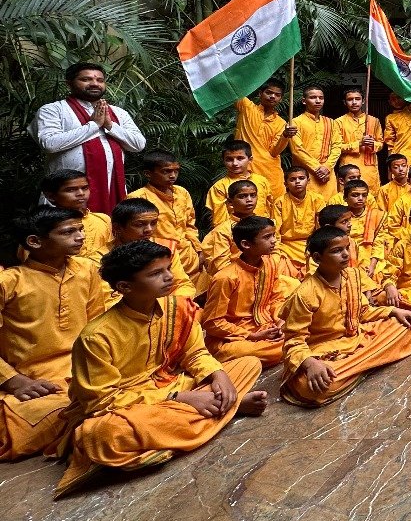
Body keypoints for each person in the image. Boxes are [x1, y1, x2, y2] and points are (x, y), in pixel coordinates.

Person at [55, 240, 266, 497]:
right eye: (156, 273)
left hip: (173, 383)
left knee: (248, 363)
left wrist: (217, 374)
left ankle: (179, 431)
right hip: (130, 403)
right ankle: (228, 408)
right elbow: (101, 402)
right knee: (103, 436)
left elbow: (195, 353)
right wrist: (181, 398)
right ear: (124, 287)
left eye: (168, 268)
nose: (169, 277)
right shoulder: (96, 336)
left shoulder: (176, 308)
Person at [1, 207, 103, 461]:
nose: (80, 236)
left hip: (85, 370)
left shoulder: (87, 269)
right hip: (35, 379)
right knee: (33, 422)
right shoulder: (9, 282)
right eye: (68, 232)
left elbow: (98, 327)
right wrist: (14, 381)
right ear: (34, 241)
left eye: (80, 229)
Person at [279, 228, 411, 407]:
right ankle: (369, 363)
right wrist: (310, 364)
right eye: (337, 251)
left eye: (346, 248)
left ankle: (357, 368)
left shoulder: (352, 276)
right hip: (323, 352)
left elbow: (363, 313)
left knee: (403, 326)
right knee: (308, 386)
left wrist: (392, 311)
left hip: (356, 339)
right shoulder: (306, 294)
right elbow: (293, 341)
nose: (345, 254)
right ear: (317, 258)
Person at [31, 62, 146, 213]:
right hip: (68, 193)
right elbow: (49, 144)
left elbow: (139, 145)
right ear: (69, 83)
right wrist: (93, 125)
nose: (94, 84)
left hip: (111, 188)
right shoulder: (53, 110)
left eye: (100, 80)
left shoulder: (119, 113)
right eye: (86, 79)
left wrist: (110, 126)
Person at [201, 216, 299, 365]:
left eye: (273, 235)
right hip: (233, 338)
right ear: (246, 244)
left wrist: (280, 322)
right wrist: (252, 335)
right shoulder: (225, 278)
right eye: (267, 237)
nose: (274, 241)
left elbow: (276, 299)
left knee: (301, 333)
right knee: (283, 348)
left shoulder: (269, 264)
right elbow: (213, 323)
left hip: (266, 328)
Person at [127, 151, 201, 275]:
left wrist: (199, 250)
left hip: (189, 258)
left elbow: (189, 225)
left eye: (176, 171)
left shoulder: (182, 193)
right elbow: (133, 235)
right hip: (160, 261)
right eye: (166, 171)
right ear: (148, 174)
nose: (173, 175)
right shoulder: (138, 197)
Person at [113, 197, 197, 301]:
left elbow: (183, 285)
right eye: (140, 224)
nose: (149, 229)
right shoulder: (102, 256)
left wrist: (166, 306)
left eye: (153, 223)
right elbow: (109, 299)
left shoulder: (165, 247)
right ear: (117, 227)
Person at [234, 79, 294, 199]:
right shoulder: (247, 108)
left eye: (277, 95)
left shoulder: (281, 123)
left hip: (270, 171)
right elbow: (233, 89)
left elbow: (274, 151)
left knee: (274, 205)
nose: (273, 96)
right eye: (269, 92)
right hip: (245, 168)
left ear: (280, 99)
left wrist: (285, 136)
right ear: (260, 93)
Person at [39, 170, 113, 264]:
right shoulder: (44, 225)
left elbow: (112, 249)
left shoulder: (102, 219)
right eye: (71, 190)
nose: (81, 193)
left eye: (85, 188)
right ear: (51, 196)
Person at [270, 164, 325, 274]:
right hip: (286, 246)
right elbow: (275, 230)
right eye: (292, 179)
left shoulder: (317, 199)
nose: (297, 182)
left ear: (308, 181)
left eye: (301, 178)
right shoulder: (280, 202)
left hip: (310, 243)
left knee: (315, 269)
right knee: (280, 268)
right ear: (286, 184)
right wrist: (276, 249)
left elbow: (321, 227)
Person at [199, 182, 259, 280]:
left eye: (253, 195)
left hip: (263, 273)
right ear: (230, 202)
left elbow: (273, 251)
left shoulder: (265, 225)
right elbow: (221, 265)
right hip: (235, 278)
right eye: (242, 196)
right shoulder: (223, 230)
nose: (249, 200)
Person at [206, 139, 272, 225]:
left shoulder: (261, 181)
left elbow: (269, 209)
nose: (235, 163)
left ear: (250, 159)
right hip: (235, 230)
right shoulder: (219, 187)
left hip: (262, 228)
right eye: (229, 159)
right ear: (223, 161)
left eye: (240, 158)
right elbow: (219, 220)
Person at [334, 87, 384, 192]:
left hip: (369, 167)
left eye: (357, 99)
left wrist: (373, 144)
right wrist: (359, 144)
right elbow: (337, 147)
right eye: (350, 99)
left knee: (370, 195)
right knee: (348, 194)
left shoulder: (373, 121)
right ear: (345, 102)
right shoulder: (338, 122)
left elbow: (380, 144)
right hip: (348, 166)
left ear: (363, 101)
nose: (354, 102)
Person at [290, 84, 335, 191]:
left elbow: (337, 146)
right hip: (306, 172)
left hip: (328, 172)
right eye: (313, 97)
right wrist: (317, 168)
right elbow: (297, 149)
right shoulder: (295, 122)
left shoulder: (330, 122)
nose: (318, 101)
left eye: (321, 98)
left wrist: (327, 167)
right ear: (304, 101)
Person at [342, 180, 386, 284]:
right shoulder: (340, 217)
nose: (360, 198)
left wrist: (372, 266)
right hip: (347, 253)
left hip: (371, 255)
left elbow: (378, 243)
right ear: (345, 198)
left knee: (379, 275)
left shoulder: (377, 215)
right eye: (355, 195)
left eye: (364, 195)